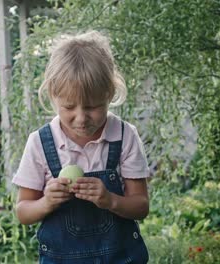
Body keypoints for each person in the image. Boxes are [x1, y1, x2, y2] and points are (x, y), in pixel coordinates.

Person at [12, 31, 150, 264]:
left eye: (93, 106)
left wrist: (111, 201)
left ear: (109, 94)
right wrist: (47, 202)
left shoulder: (124, 136)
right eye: (68, 107)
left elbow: (141, 206)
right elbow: (23, 211)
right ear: (53, 96)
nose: (81, 118)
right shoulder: (40, 143)